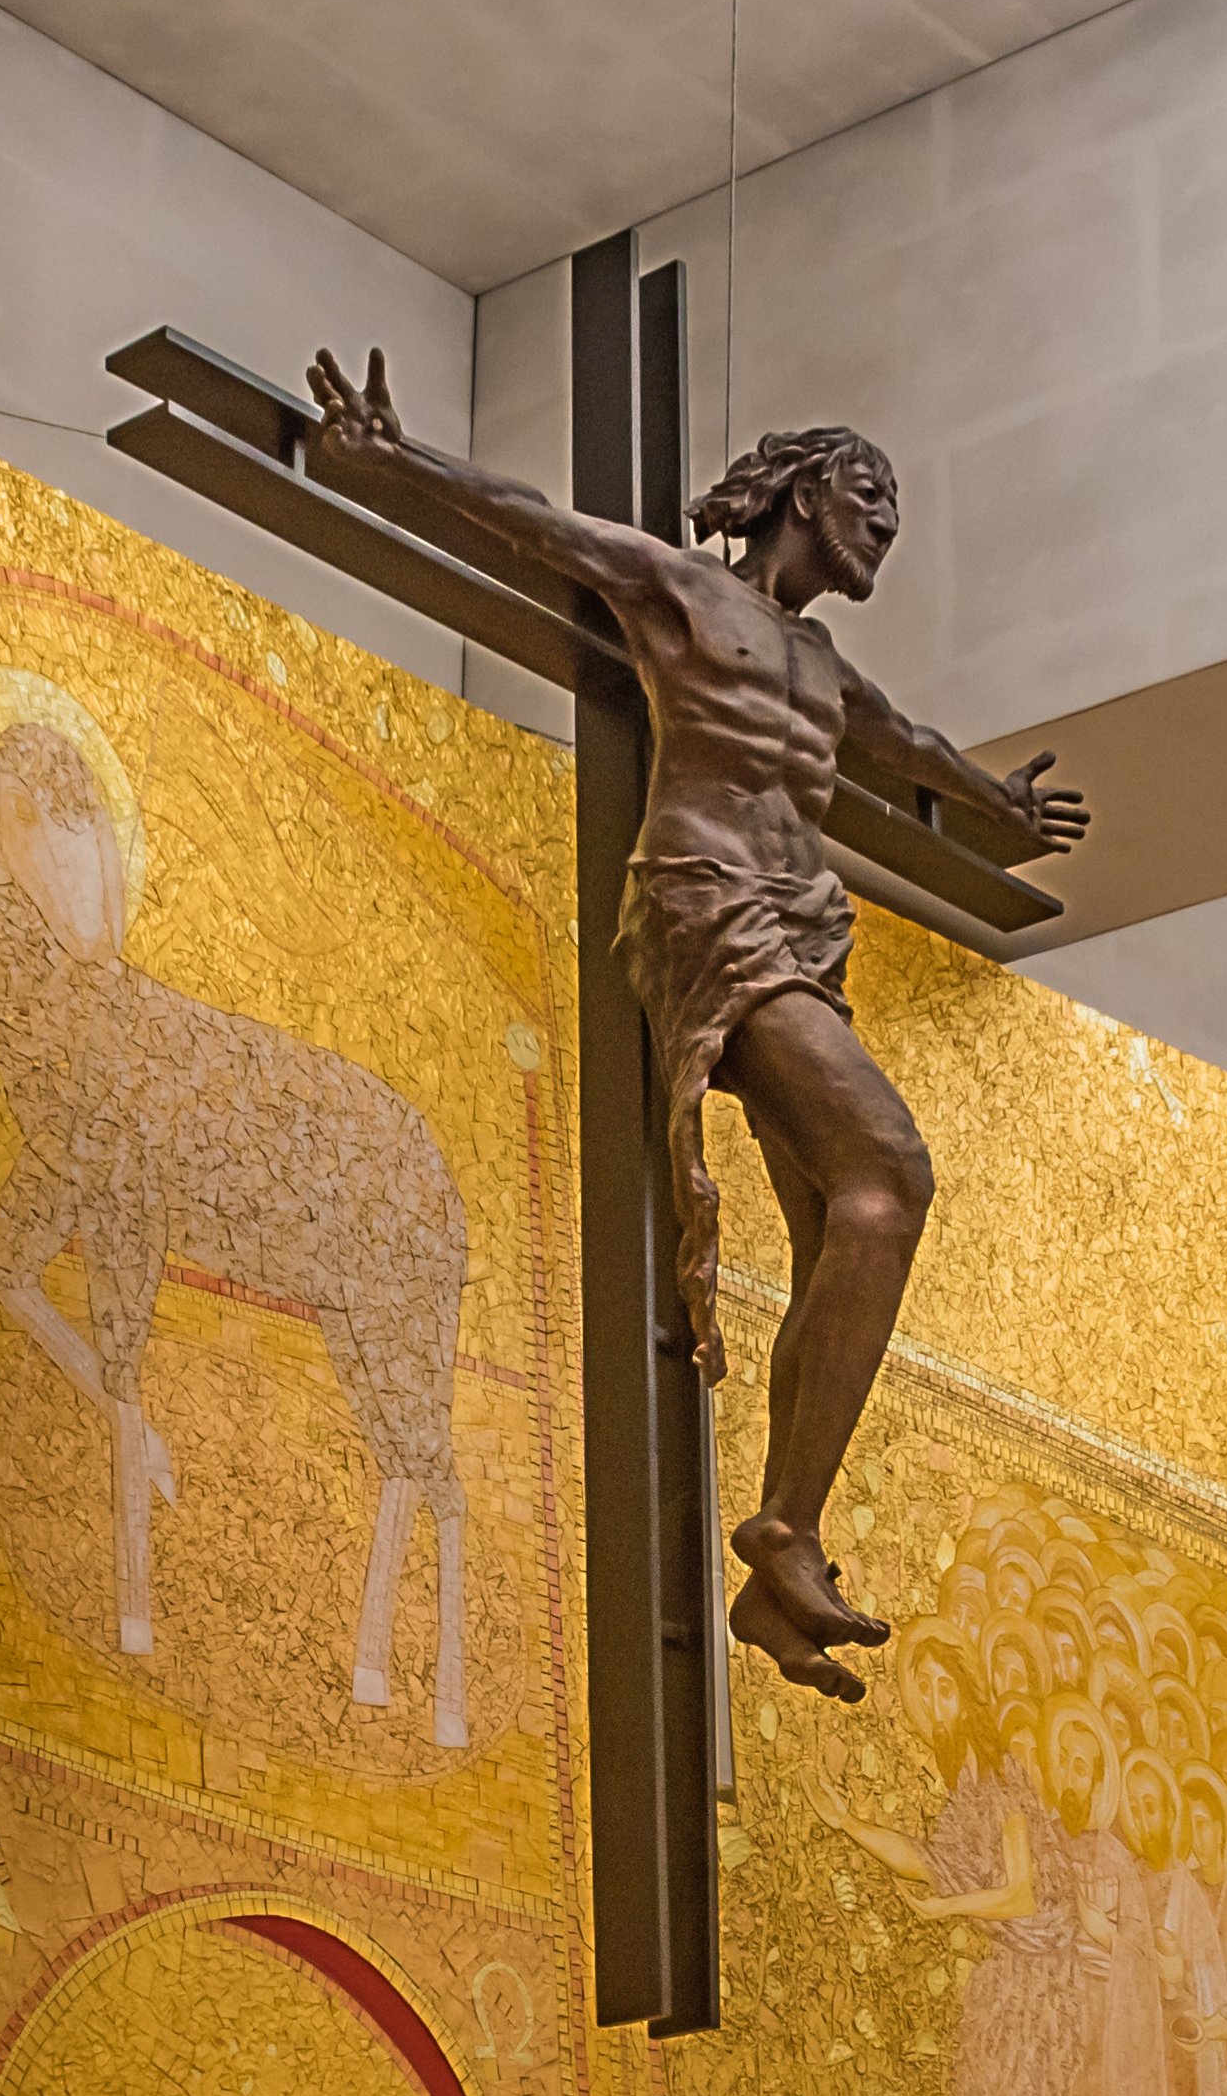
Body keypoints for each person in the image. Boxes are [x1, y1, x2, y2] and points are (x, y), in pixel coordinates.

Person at [299, 352, 1082, 1700]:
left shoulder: (825, 666)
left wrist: (998, 804)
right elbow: (535, 524)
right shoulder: (682, 589)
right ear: (797, 489)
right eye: (867, 490)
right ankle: (780, 1529)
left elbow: (915, 752)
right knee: (888, 1176)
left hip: (801, 929)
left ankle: (783, 1562)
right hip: (707, 900)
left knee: (843, 1216)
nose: (885, 521)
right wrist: (390, 460)